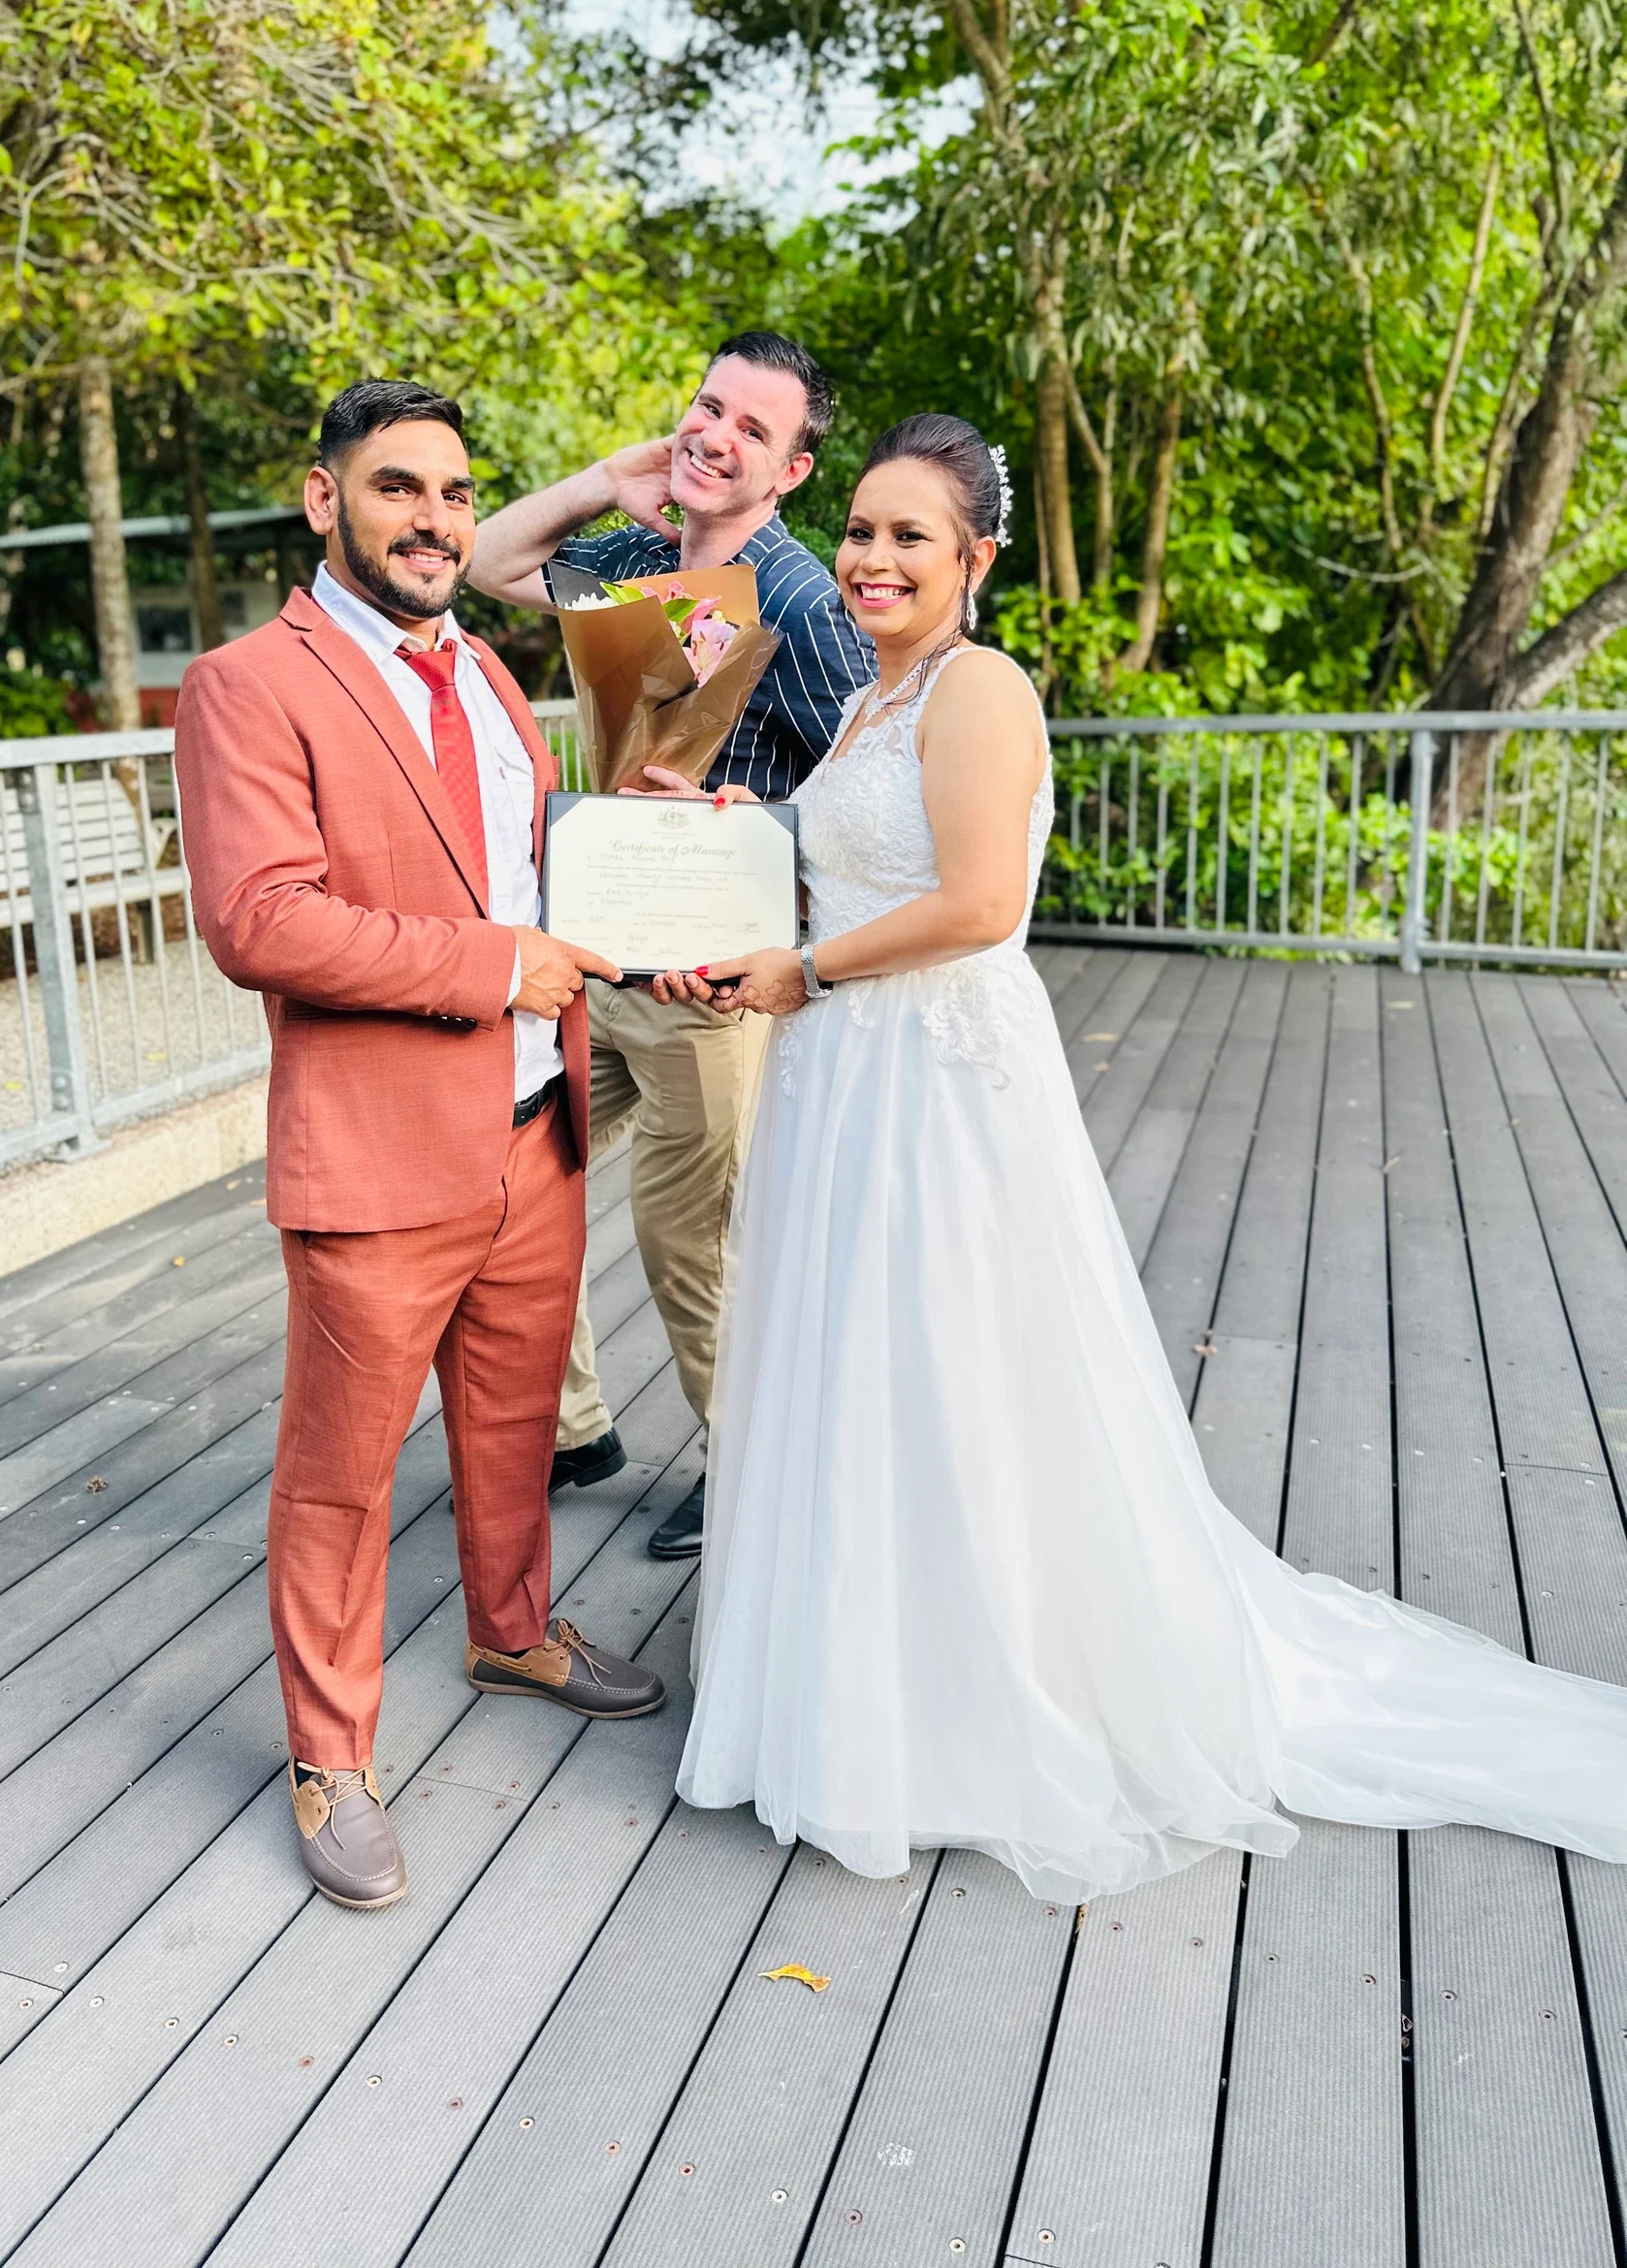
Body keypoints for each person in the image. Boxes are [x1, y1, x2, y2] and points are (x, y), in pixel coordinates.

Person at [665, 411, 1627, 1901]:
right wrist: (746, 833)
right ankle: (858, 1674)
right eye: (859, 529)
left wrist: (804, 968)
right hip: (842, 1070)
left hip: (933, 1079)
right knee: (856, 1356)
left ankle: (969, 1698)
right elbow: (851, 861)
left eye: (911, 535)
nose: (871, 556)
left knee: (950, 1359)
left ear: (977, 559)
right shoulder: (865, 699)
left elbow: (982, 905)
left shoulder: (980, 689)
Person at [175, 379, 665, 1915]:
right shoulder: (249, 683)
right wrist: (495, 965)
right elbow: (260, 920)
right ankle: (330, 1754)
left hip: (534, 1127)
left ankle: (512, 1632)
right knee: (342, 1475)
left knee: (514, 1423)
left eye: (456, 494)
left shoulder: (491, 675)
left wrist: (656, 870)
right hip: (381, 1153)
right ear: (326, 499)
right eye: (399, 487)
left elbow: (523, 874)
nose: (436, 520)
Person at [471, 331, 875, 1560]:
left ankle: (748, 1466)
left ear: (793, 471)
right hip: (591, 952)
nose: (717, 435)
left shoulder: (802, 602)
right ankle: (574, 1427)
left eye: (754, 428)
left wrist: (755, 830)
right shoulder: (634, 556)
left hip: (708, 983)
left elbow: (867, 790)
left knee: (688, 1238)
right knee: (501, 1180)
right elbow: (491, 560)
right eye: (709, 407)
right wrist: (609, 478)